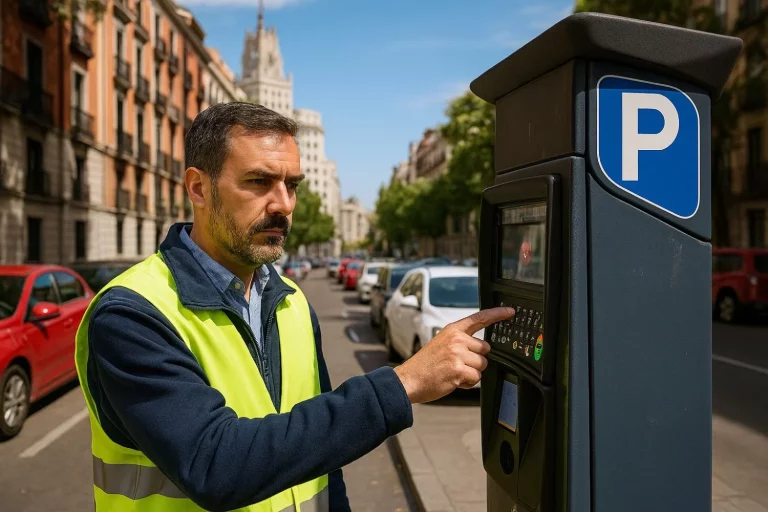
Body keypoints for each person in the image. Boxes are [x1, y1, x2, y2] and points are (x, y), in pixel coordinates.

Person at [74, 102, 514, 512]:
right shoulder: (131, 313)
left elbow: (323, 460)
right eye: (259, 181)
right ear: (199, 188)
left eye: (293, 185)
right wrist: (406, 382)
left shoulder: (291, 299)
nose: (284, 204)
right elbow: (215, 464)